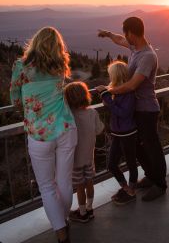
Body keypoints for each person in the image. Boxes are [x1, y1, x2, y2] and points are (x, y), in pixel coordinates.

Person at [10, 27, 76, 243]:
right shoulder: (60, 66)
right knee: (64, 181)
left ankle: (61, 232)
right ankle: (63, 219)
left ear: (35, 43)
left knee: (47, 187)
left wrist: (26, 110)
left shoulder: (21, 66)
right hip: (66, 127)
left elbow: (16, 100)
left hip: (39, 133)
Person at [97, 16, 167, 201]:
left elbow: (132, 85)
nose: (124, 37)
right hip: (137, 109)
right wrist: (108, 34)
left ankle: (160, 184)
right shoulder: (136, 47)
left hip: (147, 109)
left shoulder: (147, 56)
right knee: (137, 147)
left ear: (131, 33)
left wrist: (108, 91)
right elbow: (120, 40)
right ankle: (151, 176)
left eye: (125, 33)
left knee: (152, 148)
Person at [96, 61, 138, 205]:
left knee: (131, 163)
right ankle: (125, 188)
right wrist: (106, 94)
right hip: (118, 133)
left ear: (116, 75)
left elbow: (123, 113)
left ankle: (131, 191)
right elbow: (110, 104)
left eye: (110, 74)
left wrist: (106, 96)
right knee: (112, 165)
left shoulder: (129, 92)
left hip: (128, 133)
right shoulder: (115, 89)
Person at [64, 82, 104, 222]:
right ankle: (89, 208)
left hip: (75, 160)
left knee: (79, 187)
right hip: (89, 158)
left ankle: (82, 214)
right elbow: (99, 130)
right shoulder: (92, 112)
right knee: (89, 182)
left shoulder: (70, 116)